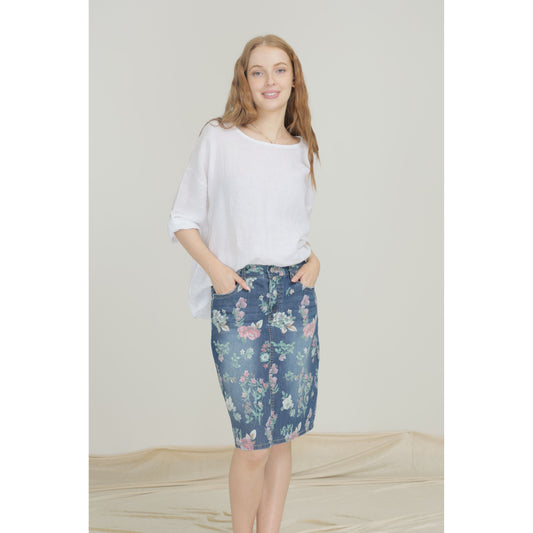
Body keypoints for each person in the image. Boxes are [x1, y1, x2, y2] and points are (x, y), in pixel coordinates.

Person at [168, 34, 321, 533]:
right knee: (253, 442)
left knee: (282, 436)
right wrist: (218, 273)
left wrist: (315, 260)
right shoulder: (219, 139)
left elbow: (290, 229)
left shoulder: (302, 149)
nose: (269, 80)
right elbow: (183, 219)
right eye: (258, 71)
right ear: (245, 80)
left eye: (279, 70)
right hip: (241, 296)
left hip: (295, 297)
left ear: (293, 79)